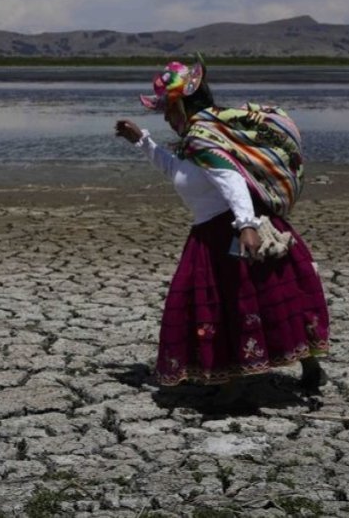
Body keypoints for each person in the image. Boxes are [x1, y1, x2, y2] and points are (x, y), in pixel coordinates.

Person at [115, 58, 329, 401]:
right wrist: (143, 142)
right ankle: (303, 368)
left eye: (169, 110)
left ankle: (231, 384)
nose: (167, 118)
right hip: (213, 231)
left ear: (184, 105)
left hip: (226, 234)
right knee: (276, 301)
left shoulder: (201, 139)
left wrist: (245, 225)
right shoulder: (196, 140)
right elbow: (181, 173)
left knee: (232, 307)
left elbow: (230, 178)